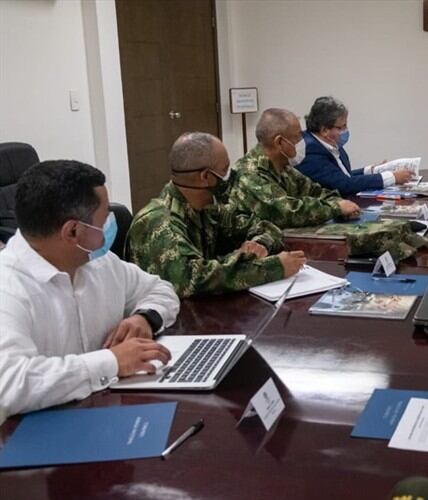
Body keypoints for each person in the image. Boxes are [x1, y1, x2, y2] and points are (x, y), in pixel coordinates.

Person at [0, 160, 179, 422]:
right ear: (73, 231)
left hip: (107, 411)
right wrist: (112, 362)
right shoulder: (8, 288)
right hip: (41, 432)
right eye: (105, 218)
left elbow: (160, 289)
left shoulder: (99, 263)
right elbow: (11, 384)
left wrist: (145, 318)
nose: (110, 225)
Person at [128, 132, 307, 297]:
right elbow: (191, 279)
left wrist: (259, 244)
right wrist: (274, 268)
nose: (231, 176)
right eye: (225, 170)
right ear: (206, 177)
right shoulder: (159, 223)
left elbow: (265, 227)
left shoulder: (206, 209)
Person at [228, 108, 361, 227]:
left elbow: (316, 192)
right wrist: (335, 208)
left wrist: (340, 203)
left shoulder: (284, 168)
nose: (302, 142)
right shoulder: (250, 173)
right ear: (279, 142)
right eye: (297, 137)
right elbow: (286, 212)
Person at [297, 96, 413, 196]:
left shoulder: (330, 144)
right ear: (324, 130)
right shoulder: (310, 151)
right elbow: (343, 184)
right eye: (341, 127)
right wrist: (391, 177)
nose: (345, 131)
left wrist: (371, 170)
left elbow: (342, 175)